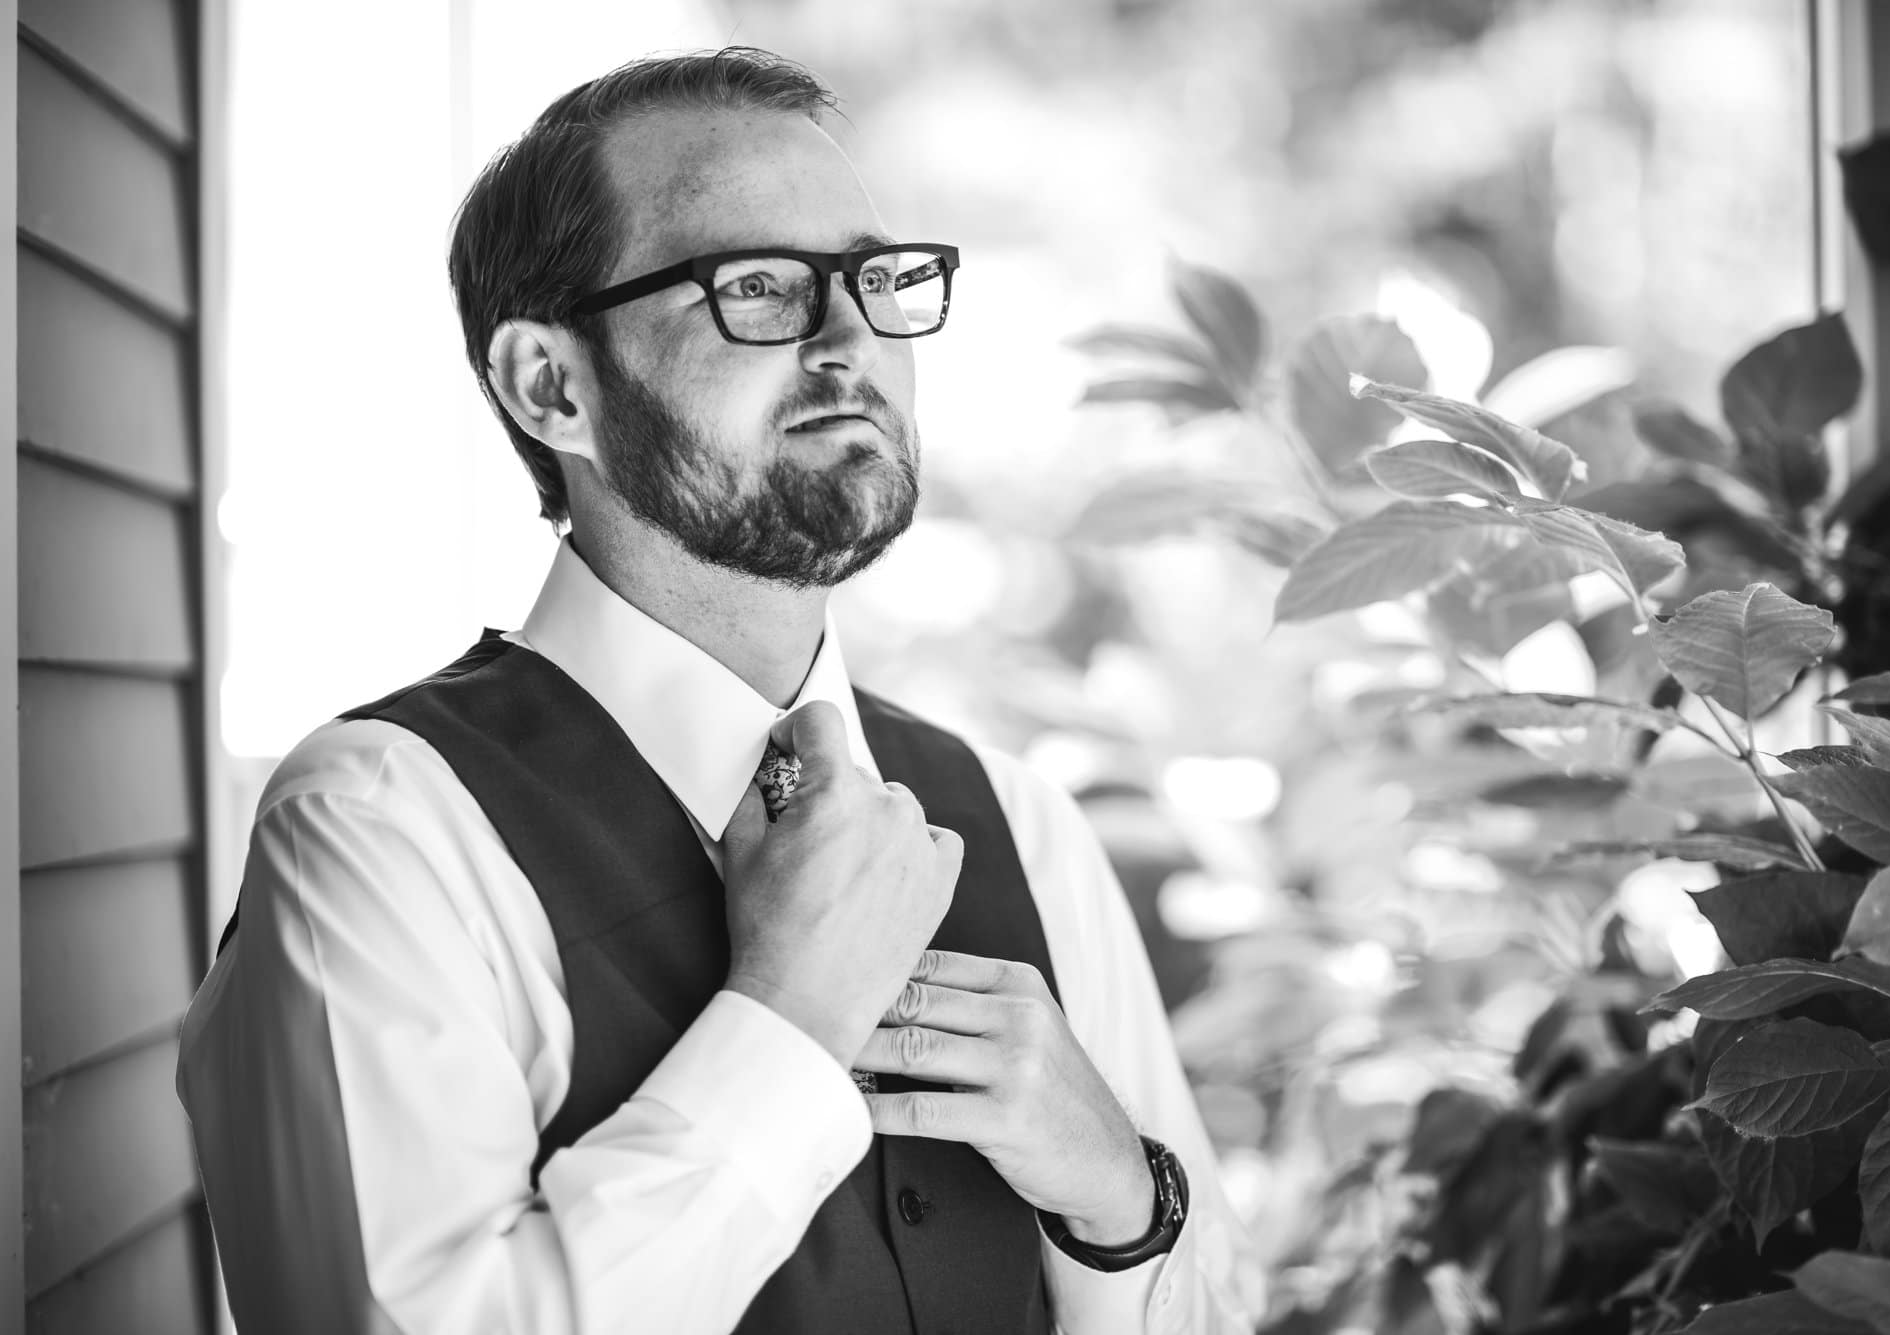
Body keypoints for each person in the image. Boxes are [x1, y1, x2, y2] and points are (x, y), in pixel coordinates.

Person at [177, 46, 1263, 1335]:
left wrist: (1117, 1200)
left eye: (874, 279)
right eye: (756, 286)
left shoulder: (1023, 827)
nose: (853, 338)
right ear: (554, 385)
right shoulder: (378, 827)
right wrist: (786, 1026)